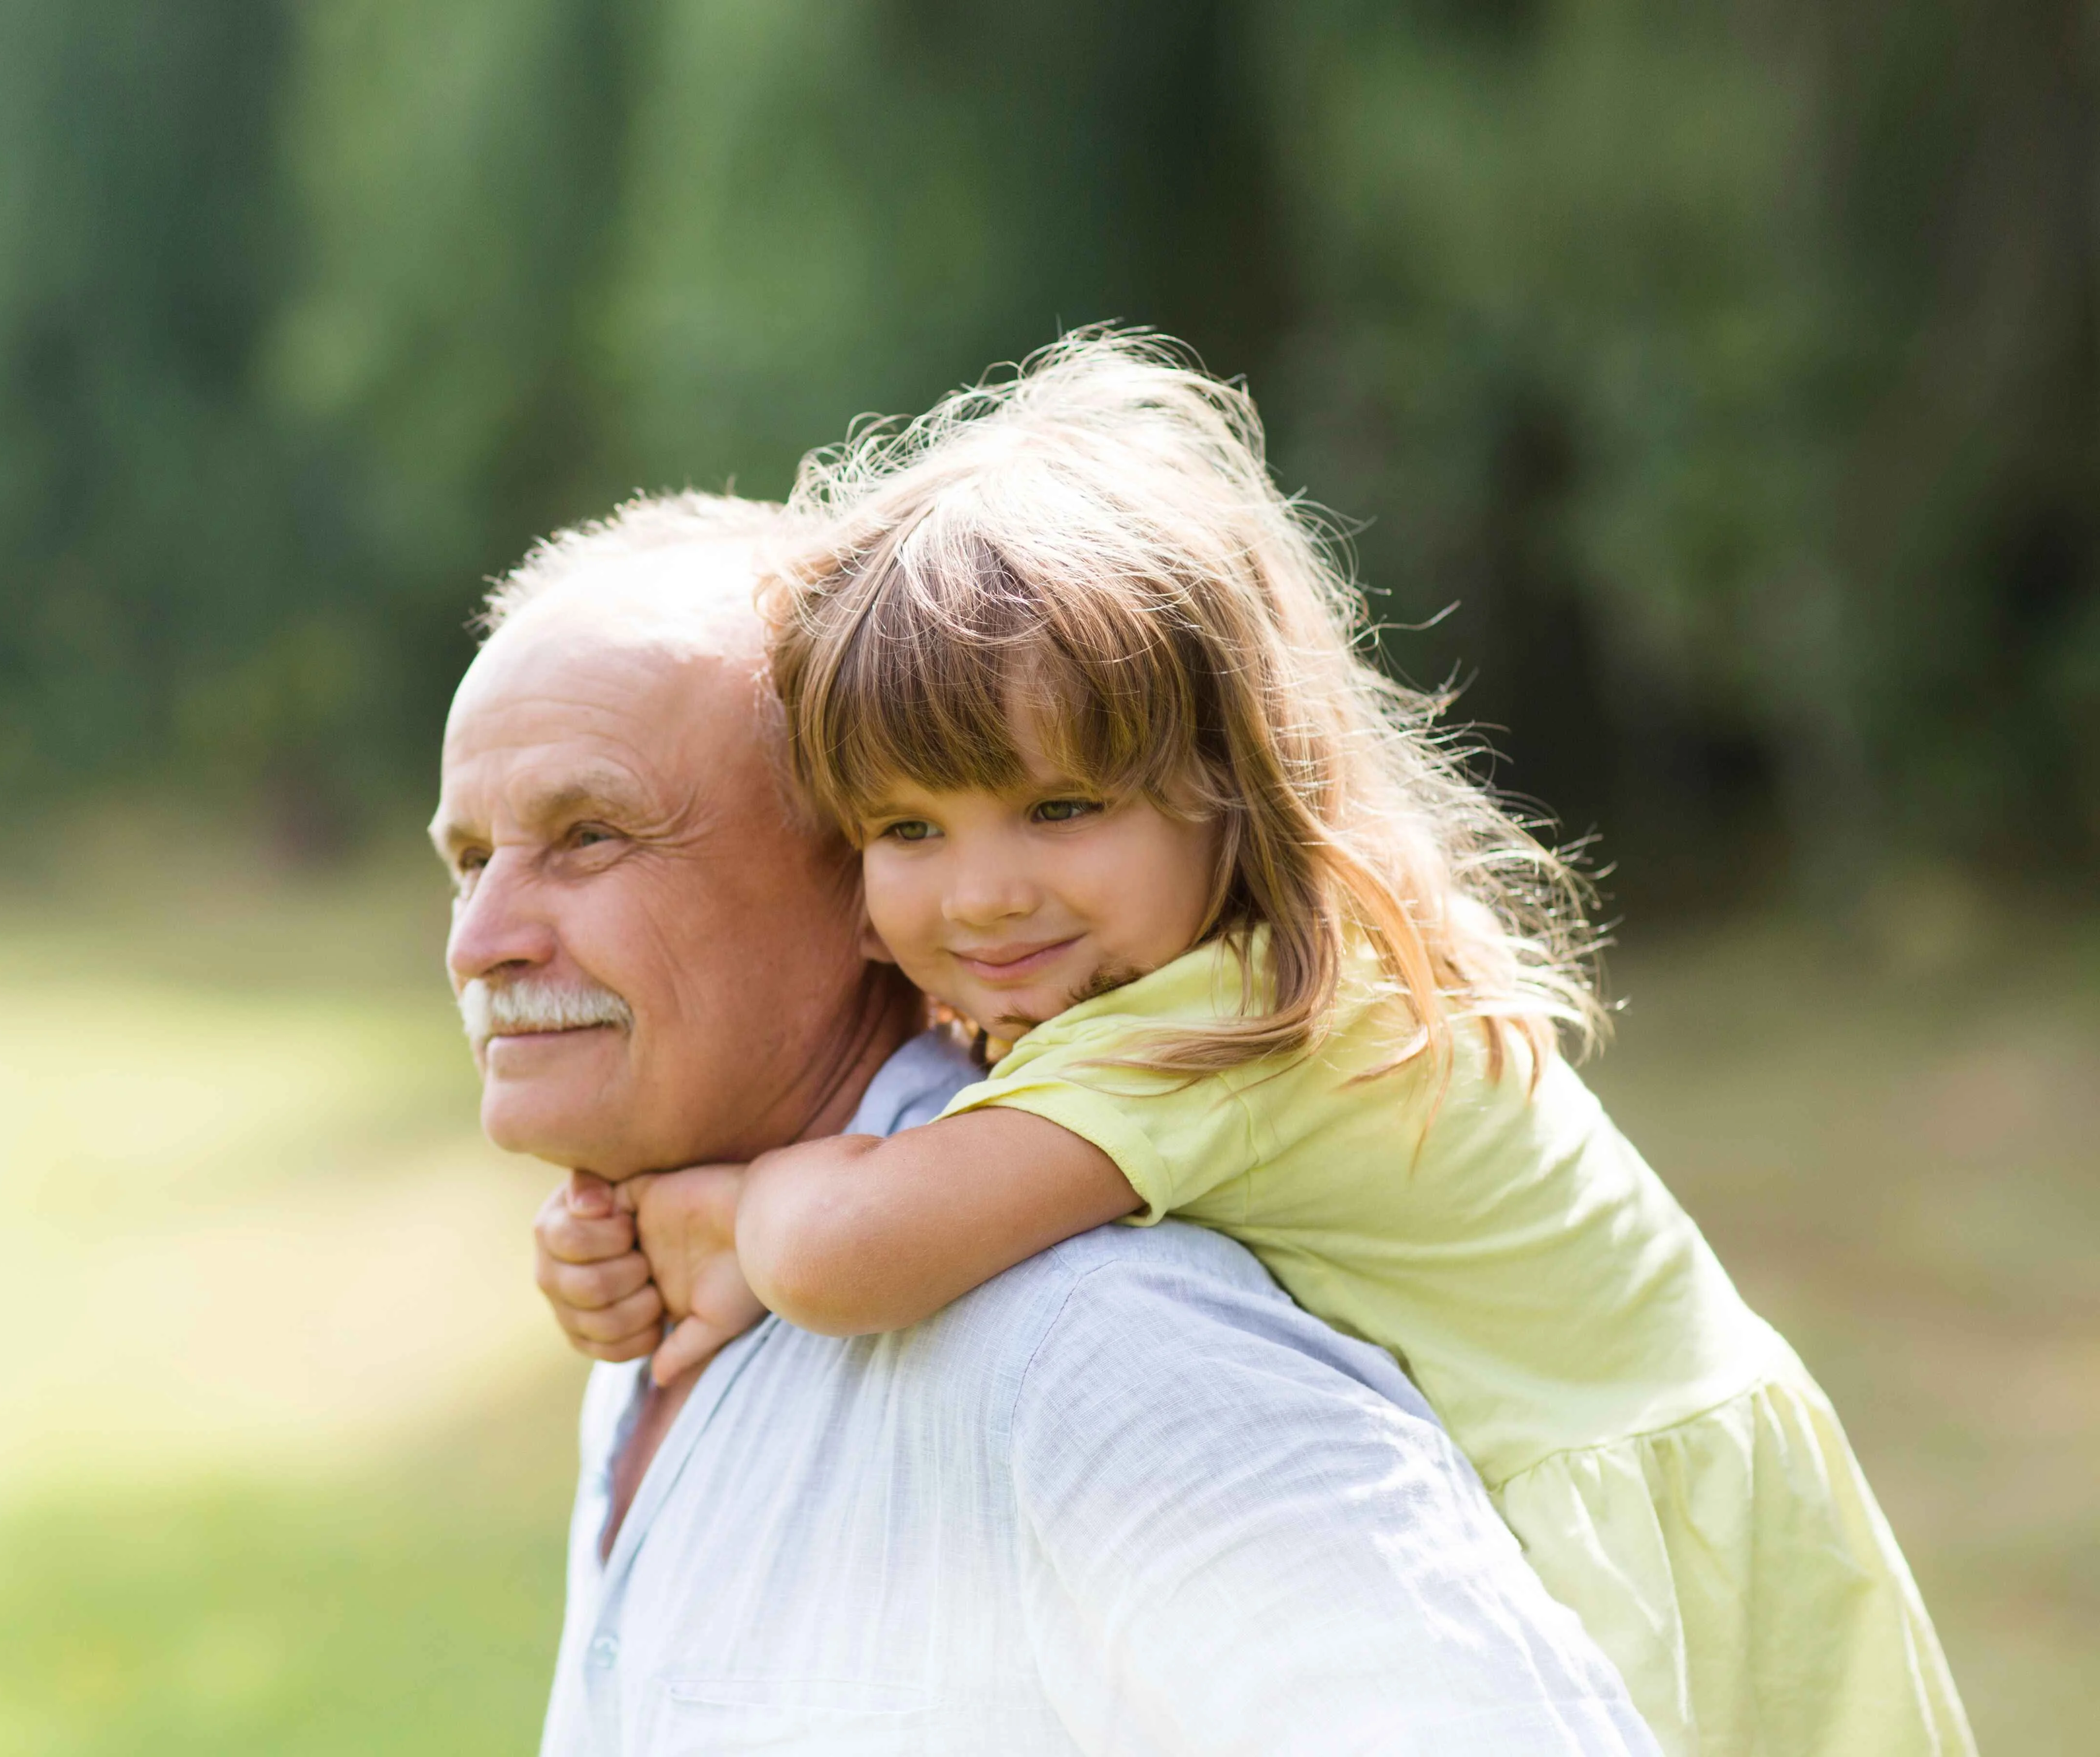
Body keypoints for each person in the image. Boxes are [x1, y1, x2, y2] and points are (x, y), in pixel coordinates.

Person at [544, 331, 1970, 1756]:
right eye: (909, 829)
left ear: (1233, 782)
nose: (981, 893)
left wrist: (731, 1214)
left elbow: (845, 1255)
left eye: (1060, 809)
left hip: (1651, 1555)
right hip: (1697, 1483)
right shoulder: (1233, 968)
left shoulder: (1226, 1031)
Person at [442, 493, 1655, 1752]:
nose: (480, 941)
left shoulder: (1097, 1337)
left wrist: (741, 1224)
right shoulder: (661, 1305)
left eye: (590, 837)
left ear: (852, 877)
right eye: (469, 860)